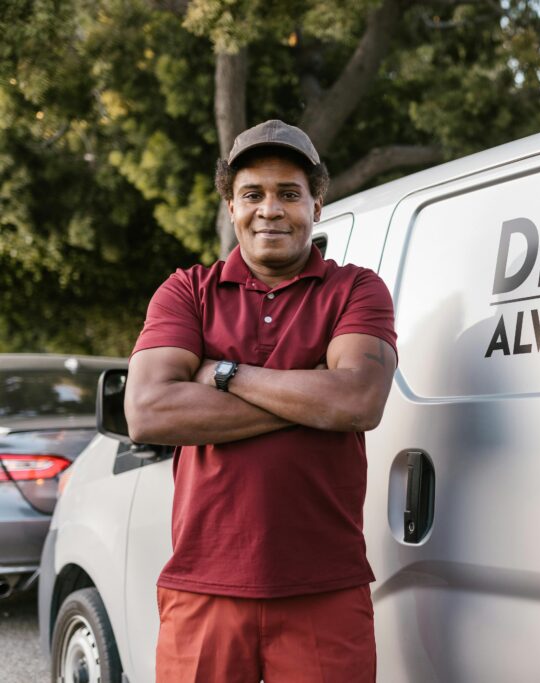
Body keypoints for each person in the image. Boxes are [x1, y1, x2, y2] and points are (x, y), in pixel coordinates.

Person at [125, 119, 397, 683]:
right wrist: (309, 392)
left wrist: (221, 372)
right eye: (252, 194)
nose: (270, 209)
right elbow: (149, 411)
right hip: (203, 586)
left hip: (325, 585)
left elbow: (357, 402)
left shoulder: (356, 289)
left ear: (317, 205)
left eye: (289, 194)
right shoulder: (186, 290)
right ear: (231, 207)